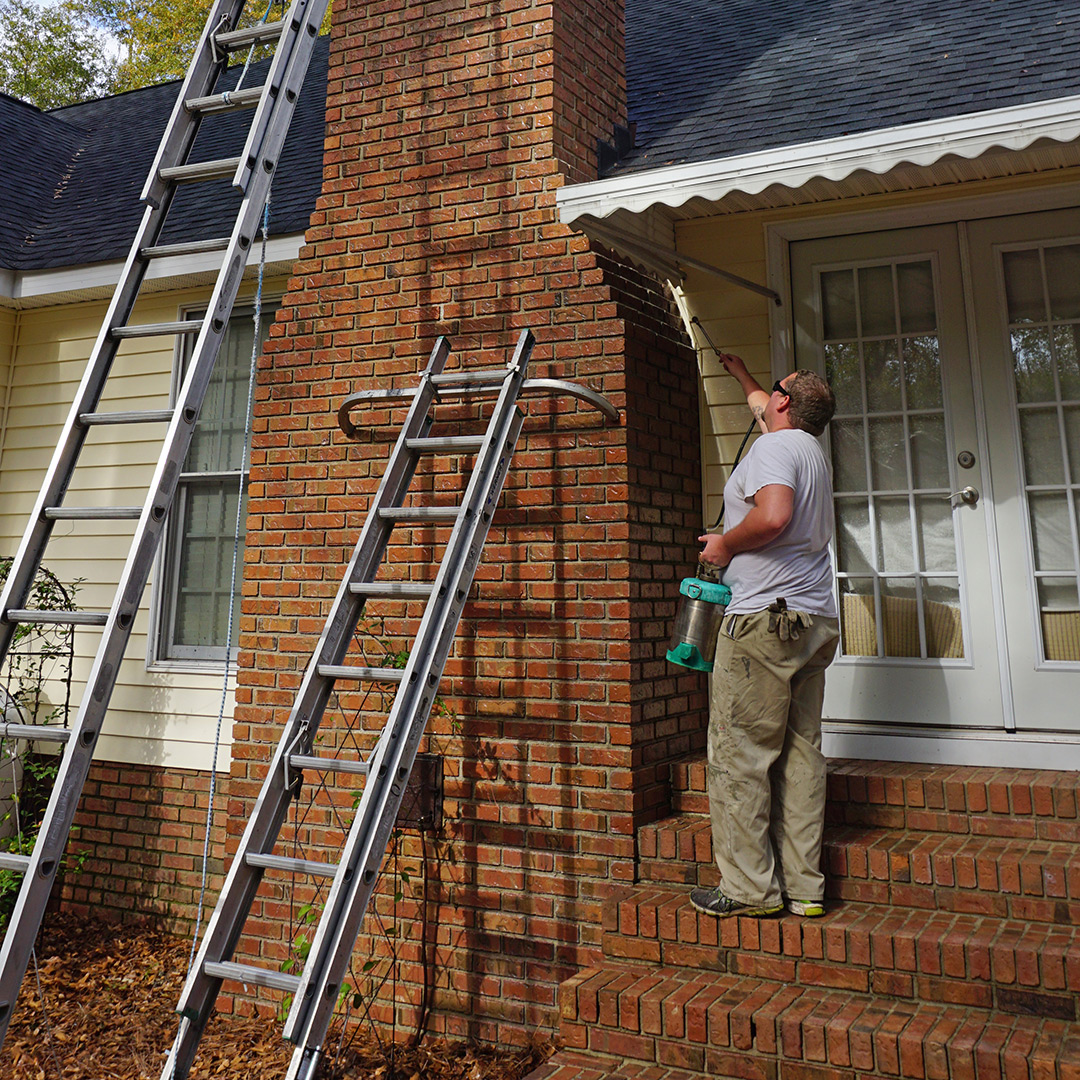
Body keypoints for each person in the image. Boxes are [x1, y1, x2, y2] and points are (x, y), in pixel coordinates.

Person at [691, 355, 839, 920]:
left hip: (763, 623)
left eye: (774, 390)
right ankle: (805, 889)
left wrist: (725, 544)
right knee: (801, 754)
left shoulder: (774, 449)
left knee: (739, 755)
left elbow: (773, 517)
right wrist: (741, 373)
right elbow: (763, 406)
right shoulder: (809, 450)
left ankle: (749, 889)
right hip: (812, 619)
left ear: (786, 403)